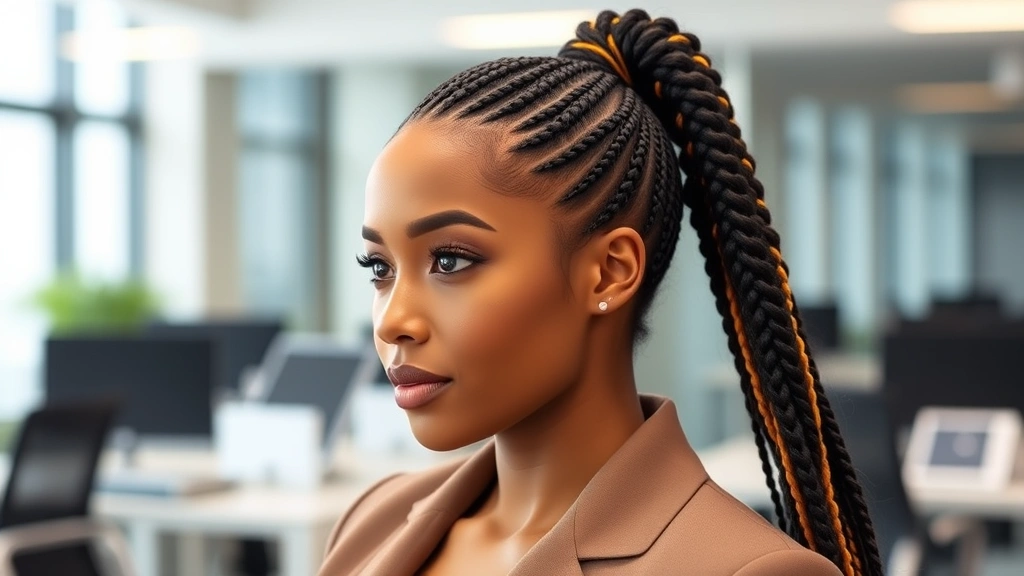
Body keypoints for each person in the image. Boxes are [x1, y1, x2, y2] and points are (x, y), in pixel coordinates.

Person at [319, 8, 881, 576]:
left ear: (610, 272)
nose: (392, 321)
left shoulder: (751, 570)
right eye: (379, 267)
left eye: (450, 260)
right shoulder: (372, 521)